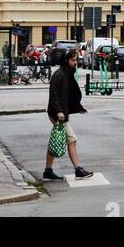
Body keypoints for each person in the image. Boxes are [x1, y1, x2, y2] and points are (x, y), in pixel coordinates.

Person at [44, 47, 92, 180]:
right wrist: (59, 111)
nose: (75, 62)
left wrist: (78, 107)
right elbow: (53, 95)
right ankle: (78, 169)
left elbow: (69, 95)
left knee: (55, 141)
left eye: (75, 59)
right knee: (72, 139)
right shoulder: (59, 75)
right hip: (57, 113)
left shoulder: (66, 73)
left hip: (60, 113)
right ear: (66, 61)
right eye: (73, 60)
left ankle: (48, 171)